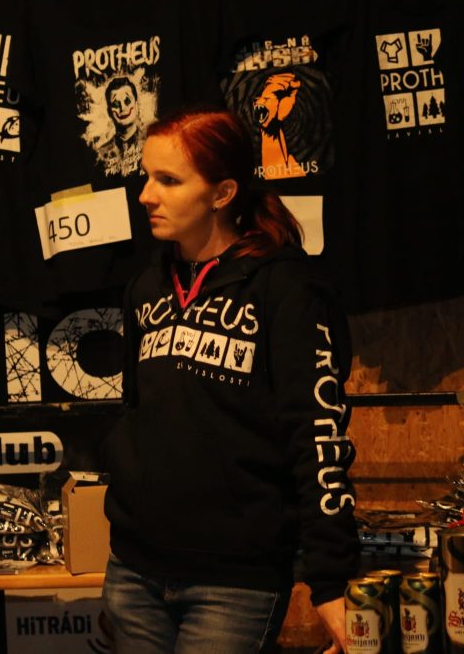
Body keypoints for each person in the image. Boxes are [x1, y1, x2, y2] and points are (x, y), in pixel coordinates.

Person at [100, 108, 358, 653]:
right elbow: (136, 412)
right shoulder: (145, 286)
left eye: (168, 180)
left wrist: (330, 580)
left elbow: (317, 437)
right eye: (146, 176)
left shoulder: (288, 289)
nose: (145, 195)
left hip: (234, 584)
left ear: (222, 193)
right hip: (134, 572)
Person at [95, 76, 145, 177]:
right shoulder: (102, 154)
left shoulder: (151, 143)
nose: (122, 108)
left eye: (127, 101)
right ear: (109, 112)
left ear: (136, 105)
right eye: (116, 104)